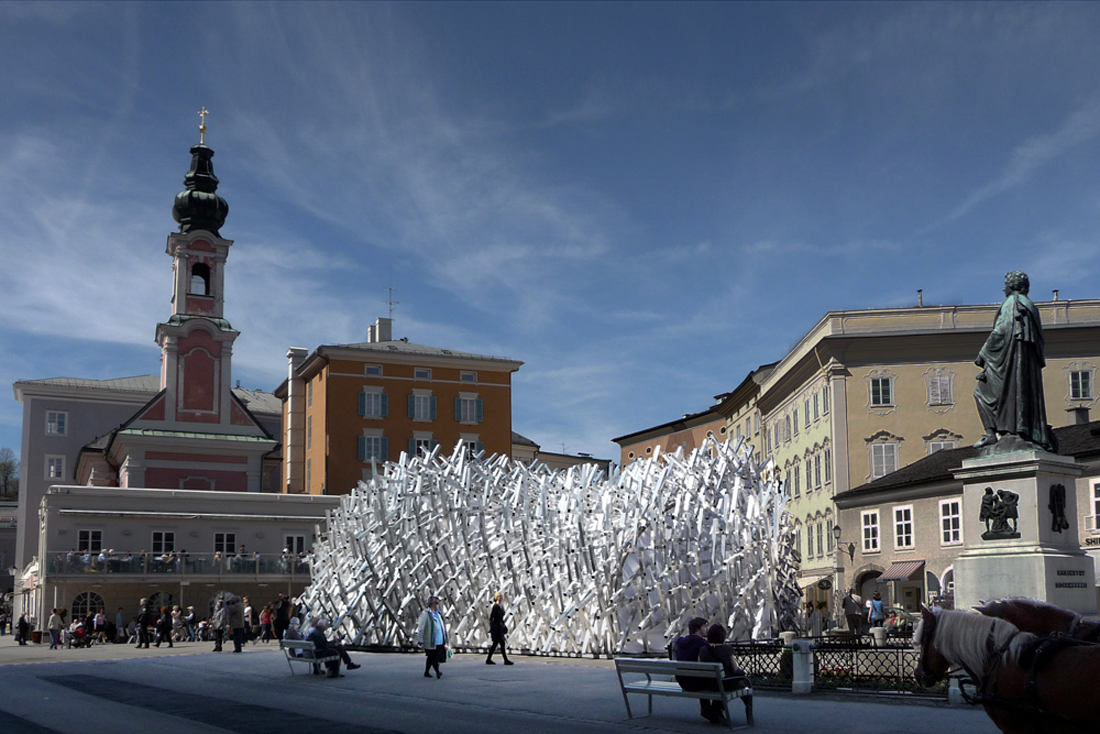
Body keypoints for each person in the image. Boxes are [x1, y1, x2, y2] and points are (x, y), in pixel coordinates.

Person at [973, 271, 1054, 451]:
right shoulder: (1031, 306)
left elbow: (1001, 332)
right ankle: (1024, 431)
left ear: (1012, 286)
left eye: (1006, 284)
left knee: (981, 393)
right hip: (1025, 366)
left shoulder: (1012, 303)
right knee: (1021, 393)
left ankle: (991, 435)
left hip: (1008, 363)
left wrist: (982, 354)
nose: (1004, 288)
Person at [697, 624, 751, 724]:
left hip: (709, 685)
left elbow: (700, 667)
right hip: (725, 684)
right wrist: (742, 673)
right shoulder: (727, 649)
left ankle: (715, 710)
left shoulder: (703, 650)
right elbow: (735, 669)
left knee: (720, 684)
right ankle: (748, 706)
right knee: (743, 683)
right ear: (723, 636)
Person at [671, 616, 711, 722]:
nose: (707, 629)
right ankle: (712, 709)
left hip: (682, 681)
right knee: (710, 678)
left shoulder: (681, 642)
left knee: (700, 675)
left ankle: (707, 708)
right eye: (705, 626)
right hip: (696, 683)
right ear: (698, 628)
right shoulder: (703, 644)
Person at [417, 595, 448, 679]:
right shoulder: (426, 614)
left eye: (438, 603)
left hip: (440, 640)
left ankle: (426, 672)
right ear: (431, 604)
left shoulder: (439, 614)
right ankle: (438, 672)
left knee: (432, 657)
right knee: (433, 656)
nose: (437, 605)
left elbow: (442, 626)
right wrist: (420, 638)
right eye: (436, 603)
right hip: (431, 640)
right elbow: (421, 627)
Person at [485, 592, 513, 665]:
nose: (501, 597)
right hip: (496, 627)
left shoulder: (501, 605)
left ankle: (489, 659)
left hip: (500, 626)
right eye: (499, 596)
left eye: (501, 596)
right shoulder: (495, 606)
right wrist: (492, 628)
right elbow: (492, 618)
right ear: (496, 597)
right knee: (500, 643)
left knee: (497, 644)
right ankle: (505, 660)